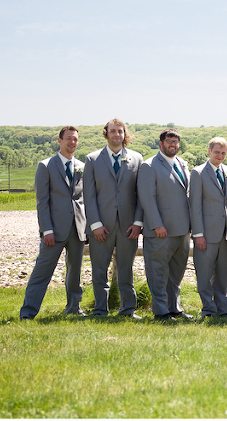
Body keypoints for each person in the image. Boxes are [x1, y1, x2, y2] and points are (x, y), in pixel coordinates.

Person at [20, 126, 87, 320]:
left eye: (75, 139)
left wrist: (87, 228)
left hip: (77, 229)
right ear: (59, 141)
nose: (72, 142)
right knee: (42, 272)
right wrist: (46, 229)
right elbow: (42, 201)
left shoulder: (82, 166)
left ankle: (74, 308)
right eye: (68, 139)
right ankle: (28, 312)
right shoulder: (46, 165)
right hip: (54, 231)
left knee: (75, 273)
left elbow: (84, 199)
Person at [83, 118, 144, 319]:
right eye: (113, 131)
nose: (116, 134)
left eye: (120, 131)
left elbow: (140, 194)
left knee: (126, 269)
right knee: (99, 270)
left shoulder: (137, 158)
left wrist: (138, 223)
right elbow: (89, 195)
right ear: (106, 133)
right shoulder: (92, 159)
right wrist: (95, 224)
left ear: (124, 134)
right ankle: (100, 309)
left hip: (128, 227)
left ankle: (128, 310)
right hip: (101, 226)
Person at [136, 129, 193, 321]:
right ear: (161, 144)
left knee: (176, 274)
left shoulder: (182, 164)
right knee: (158, 273)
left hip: (182, 231)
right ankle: (161, 312)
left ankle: (174, 308)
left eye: (176, 142)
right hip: (161, 231)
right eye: (169, 141)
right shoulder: (149, 166)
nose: (173, 145)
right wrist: (156, 225)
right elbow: (147, 199)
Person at [189, 137, 227, 320]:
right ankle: (208, 310)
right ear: (209, 151)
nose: (220, 156)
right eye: (217, 152)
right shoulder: (198, 173)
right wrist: (198, 234)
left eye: (223, 153)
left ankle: (223, 311)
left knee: (223, 275)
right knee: (205, 275)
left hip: (225, 233)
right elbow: (195, 205)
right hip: (206, 233)